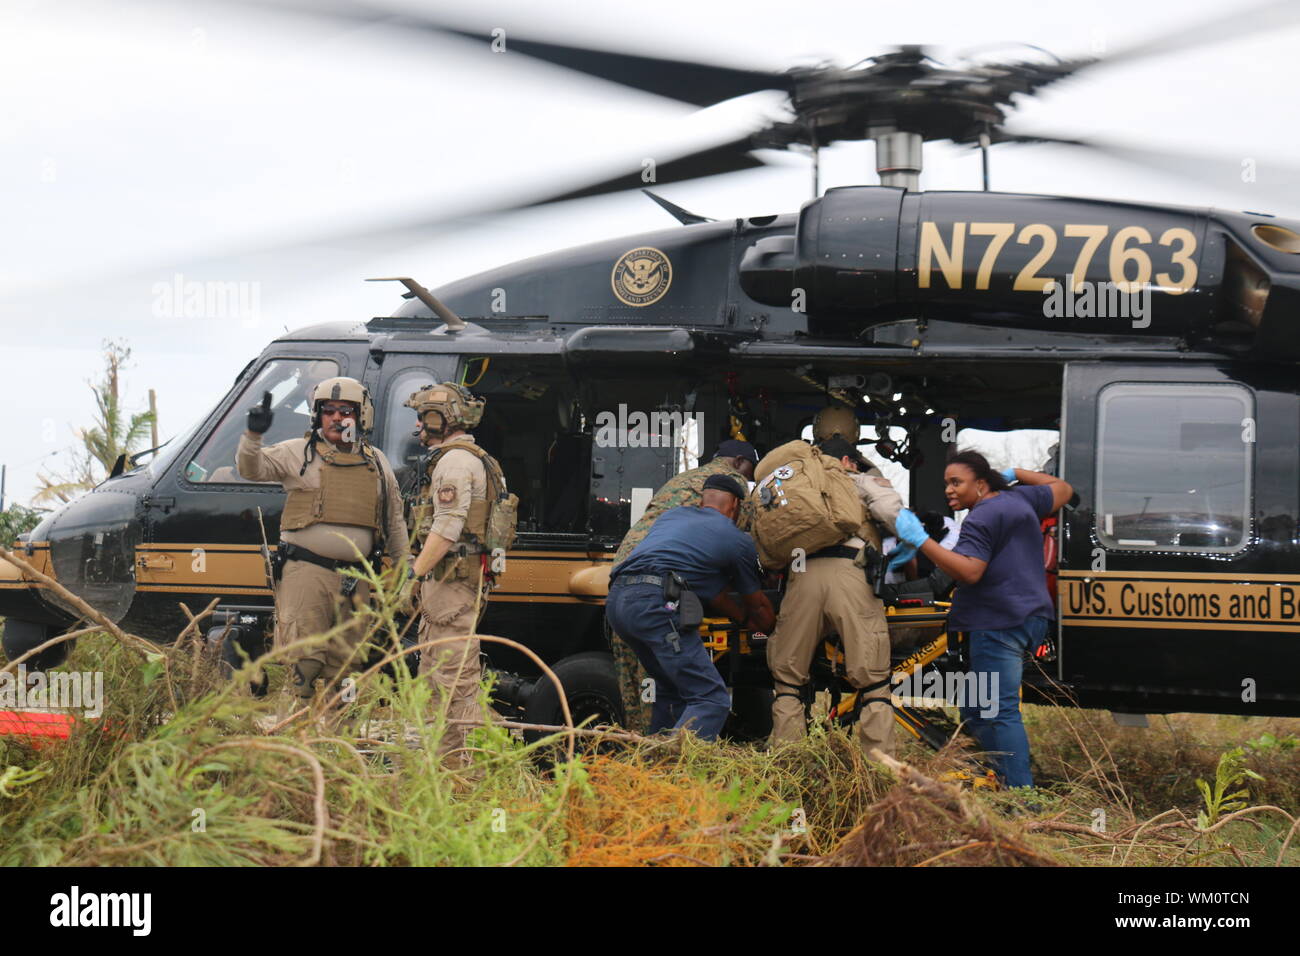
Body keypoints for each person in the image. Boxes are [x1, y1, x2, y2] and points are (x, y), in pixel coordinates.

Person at [890, 450, 1072, 789]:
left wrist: (922, 541)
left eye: (957, 482)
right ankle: (989, 779)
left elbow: (971, 572)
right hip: (1030, 616)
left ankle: (1022, 799)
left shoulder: (981, 517)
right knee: (975, 706)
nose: (949, 490)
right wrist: (1014, 471)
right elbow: (1062, 488)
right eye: (947, 483)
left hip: (997, 621)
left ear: (982, 483)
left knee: (998, 711)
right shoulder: (1020, 498)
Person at [238, 377, 409, 710]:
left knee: (349, 667)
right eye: (327, 411)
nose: (336, 418)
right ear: (317, 416)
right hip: (307, 572)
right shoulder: (296, 452)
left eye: (345, 411)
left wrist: (406, 570)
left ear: (362, 417)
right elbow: (250, 469)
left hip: (357, 579)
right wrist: (253, 436)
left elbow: (394, 521)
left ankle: (340, 740)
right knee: (304, 659)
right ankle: (295, 740)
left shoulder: (377, 462)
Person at [605, 474, 775, 741]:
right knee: (711, 698)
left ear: (702, 499)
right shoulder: (735, 539)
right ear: (735, 507)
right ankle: (678, 773)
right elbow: (758, 606)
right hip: (656, 603)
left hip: (618, 601)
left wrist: (740, 617)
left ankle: (654, 768)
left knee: (672, 690)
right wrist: (773, 626)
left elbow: (715, 594)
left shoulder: (673, 517)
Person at [766, 436, 904, 758]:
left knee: (787, 680)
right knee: (872, 682)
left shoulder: (793, 487)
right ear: (847, 461)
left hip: (801, 576)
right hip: (850, 573)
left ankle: (787, 766)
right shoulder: (856, 478)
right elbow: (890, 511)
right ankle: (879, 767)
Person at [405, 382, 504, 764]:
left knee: (454, 684)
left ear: (438, 419)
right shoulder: (464, 458)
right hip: (452, 585)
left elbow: (447, 527)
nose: (417, 426)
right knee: (440, 682)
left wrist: (412, 575)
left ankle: (468, 777)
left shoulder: (454, 462)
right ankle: (448, 774)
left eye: (422, 417)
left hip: (450, 586)